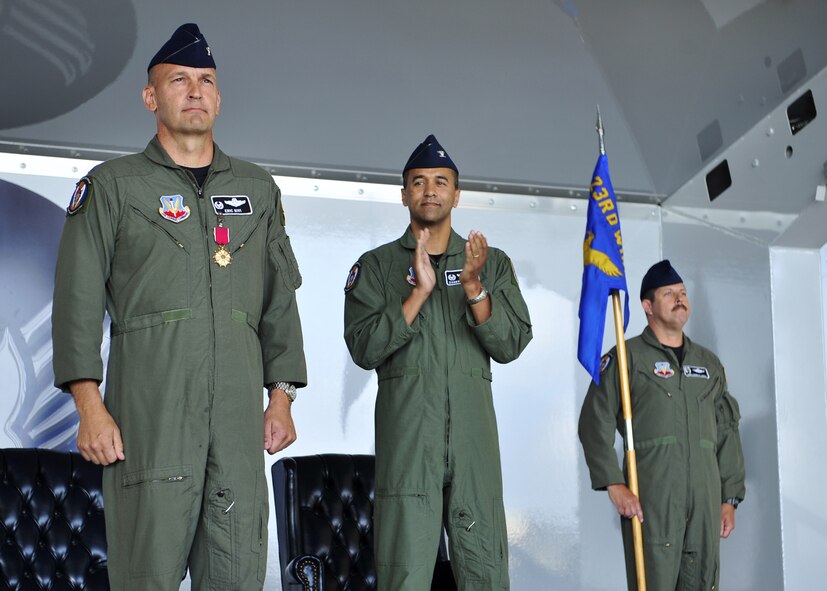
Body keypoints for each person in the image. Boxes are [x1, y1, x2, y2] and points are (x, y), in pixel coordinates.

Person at [51, 23, 307, 590]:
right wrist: (89, 406)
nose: (195, 91)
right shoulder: (113, 187)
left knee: (237, 576)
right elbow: (77, 299)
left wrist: (282, 397)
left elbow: (278, 301)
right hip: (150, 420)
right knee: (147, 578)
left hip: (238, 429)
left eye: (206, 81)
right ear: (151, 97)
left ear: (218, 97)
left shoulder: (258, 191)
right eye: (179, 80)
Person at [343, 134, 532, 591]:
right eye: (420, 182)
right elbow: (364, 348)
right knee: (403, 575)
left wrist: (473, 288)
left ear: (457, 194)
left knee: (484, 571)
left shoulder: (491, 263)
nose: (430, 190)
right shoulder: (376, 266)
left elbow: (510, 343)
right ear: (404, 193)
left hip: (473, 447)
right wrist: (419, 293)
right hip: (409, 446)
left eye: (441, 182)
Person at [578, 259, 745, 590]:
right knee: (653, 581)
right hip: (653, 499)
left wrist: (729, 499)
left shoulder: (709, 364)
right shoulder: (627, 359)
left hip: (705, 501)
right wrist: (614, 484)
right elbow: (593, 421)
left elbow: (727, 432)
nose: (679, 298)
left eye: (682, 293)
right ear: (647, 306)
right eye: (668, 294)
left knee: (702, 582)